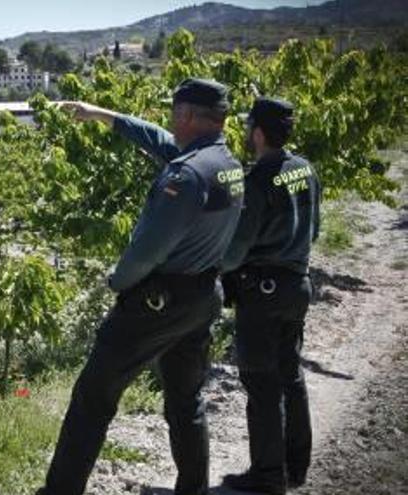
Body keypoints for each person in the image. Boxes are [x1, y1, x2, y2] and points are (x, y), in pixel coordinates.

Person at [38, 78, 245, 495]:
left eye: (174, 113)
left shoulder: (185, 176)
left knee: (91, 401)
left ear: (186, 115)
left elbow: (148, 251)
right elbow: (152, 136)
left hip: (158, 302)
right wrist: (100, 114)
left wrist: (119, 281)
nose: (171, 120)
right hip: (203, 296)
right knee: (186, 403)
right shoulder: (226, 165)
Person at [220, 97, 321, 495]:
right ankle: (296, 467)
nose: (246, 135)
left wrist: (215, 268)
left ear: (259, 133)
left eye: (248, 128)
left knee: (262, 384)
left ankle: (267, 477)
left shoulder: (259, 179)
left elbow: (237, 248)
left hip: (262, 291)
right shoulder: (305, 170)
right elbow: (314, 229)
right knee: (291, 376)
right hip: (297, 284)